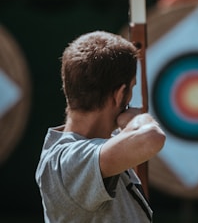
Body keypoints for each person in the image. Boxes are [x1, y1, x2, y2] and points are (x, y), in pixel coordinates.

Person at [35, 30, 166, 223]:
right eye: (131, 87)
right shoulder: (67, 161)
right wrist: (136, 120)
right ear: (120, 94)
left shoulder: (99, 147)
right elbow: (151, 138)